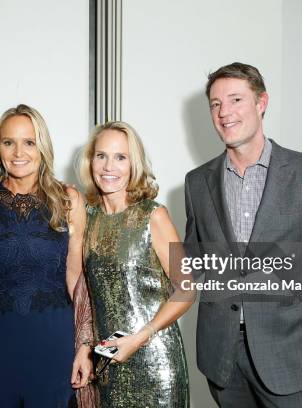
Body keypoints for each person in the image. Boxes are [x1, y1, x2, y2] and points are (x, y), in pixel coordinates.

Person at [184, 62, 302, 407]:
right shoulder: (197, 182)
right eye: (216, 104)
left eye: (236, 99)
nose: (225, 113)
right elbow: (190, 266)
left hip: (293, 357)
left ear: (261, 102)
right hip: (222, 359)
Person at [0, 104, 94, 408]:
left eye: (29, 142)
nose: (19, 152)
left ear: (41, 146)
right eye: (9, 142)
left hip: (54, 344)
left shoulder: (68, 200)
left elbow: (78, 278)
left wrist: (85, 344)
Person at [77, 121, 193, 408]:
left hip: (156, 363)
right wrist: (85, 347)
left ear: (134, 164)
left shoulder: (154, 215)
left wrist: (139, 338)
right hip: (109, 366)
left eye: (120, 157)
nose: (108, 167)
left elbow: (187, 287)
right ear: (91, 161)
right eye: (101, 156)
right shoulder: (87, 219)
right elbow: (89, 297)